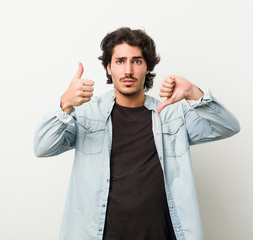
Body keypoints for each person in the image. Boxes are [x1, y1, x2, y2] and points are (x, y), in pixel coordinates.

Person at [34, 27, 240, 240]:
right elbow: (43, 147)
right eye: (120, 61)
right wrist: (64, 105)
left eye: (137, 61)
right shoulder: (87, 114)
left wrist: (193, 93)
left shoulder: (171, 117)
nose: (128, 70)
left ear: (147, 68)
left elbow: (228, 126)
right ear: (109, 68)